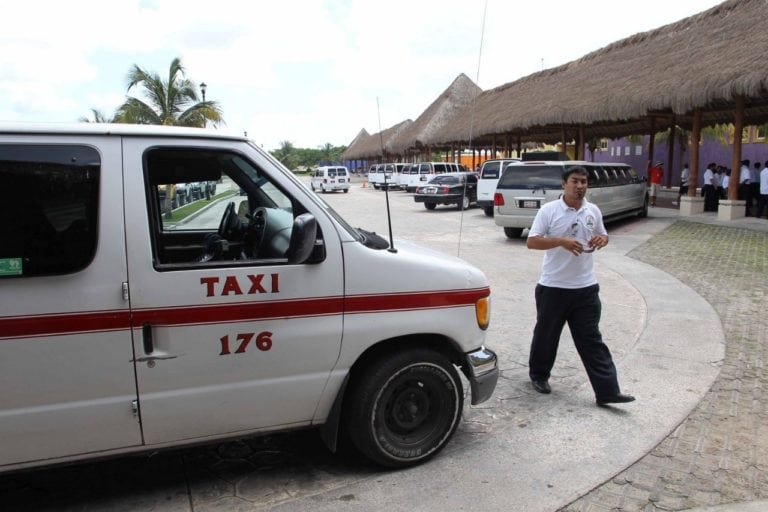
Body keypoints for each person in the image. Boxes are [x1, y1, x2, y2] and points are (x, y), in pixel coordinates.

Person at [526, 166, 635, 407]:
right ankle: (539, 376)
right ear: (564, 184)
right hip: (553, 287)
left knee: (591, 340)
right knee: (546, 336)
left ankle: (608, 391)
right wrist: (560, 241)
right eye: (575, 181)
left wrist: (602, 239)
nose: (580, 186)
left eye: (584, 182)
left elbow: (603, 235)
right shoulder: (549, 210)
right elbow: (532, 242)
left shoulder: (592, 210)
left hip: (586, 288)